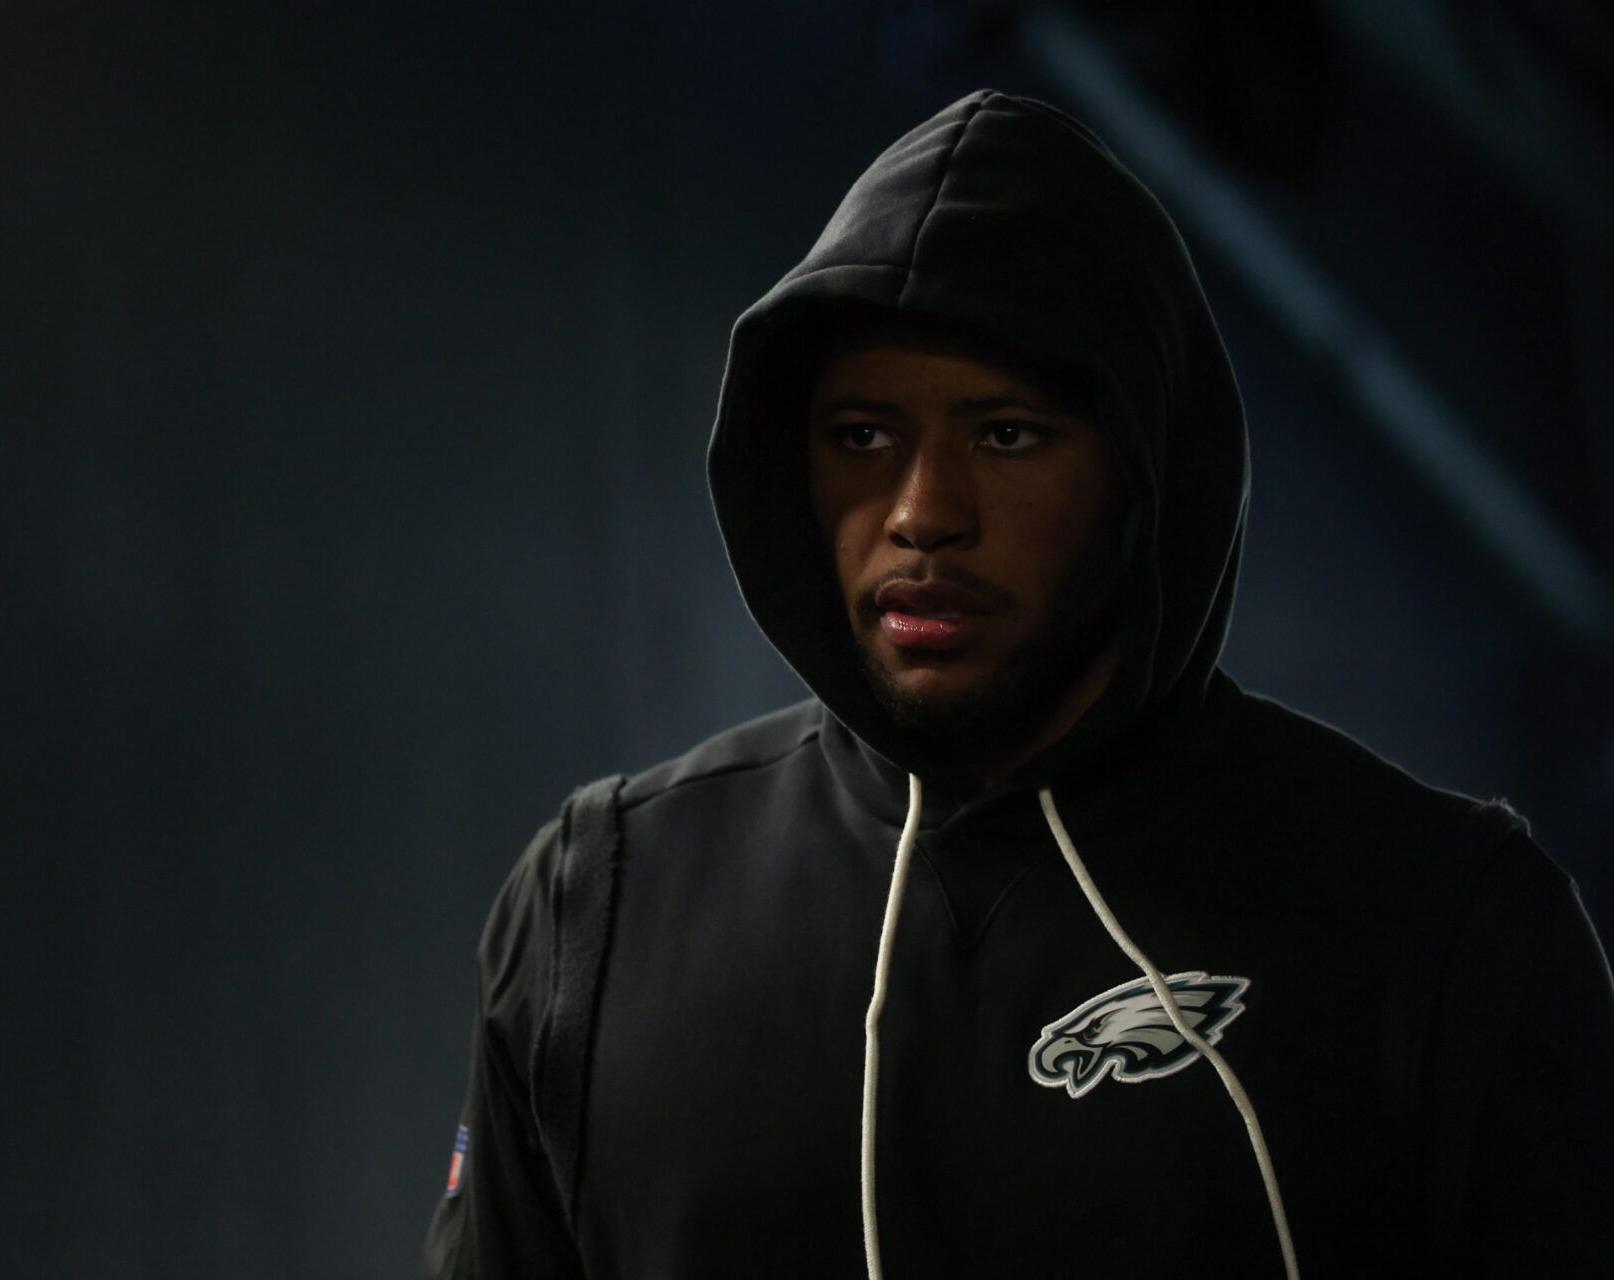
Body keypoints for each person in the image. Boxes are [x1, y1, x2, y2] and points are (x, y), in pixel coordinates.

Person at [423, 89, 1614, 1278]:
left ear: (1144, 472)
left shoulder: (1445, 932)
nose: (922, 513)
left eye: (1005, 434)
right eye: (863, 436)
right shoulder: (603, 909)